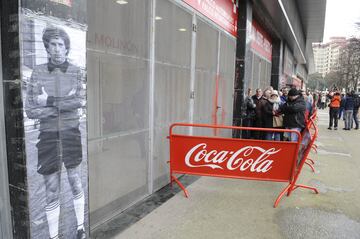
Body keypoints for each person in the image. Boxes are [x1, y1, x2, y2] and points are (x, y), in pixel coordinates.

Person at [25, 26, 86, 239]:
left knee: (75, 180)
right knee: (51, 188)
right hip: (48, 136)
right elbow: (30, 109)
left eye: (61, 44)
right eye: (53, 44)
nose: (58, 49)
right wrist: (62, 105)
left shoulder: (76, 71)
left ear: (66, 47)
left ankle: (80, 228)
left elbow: (79, 101)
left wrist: (49, 101)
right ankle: (53, 237)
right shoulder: (38, 72)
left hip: (71, 133)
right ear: (47, 47)